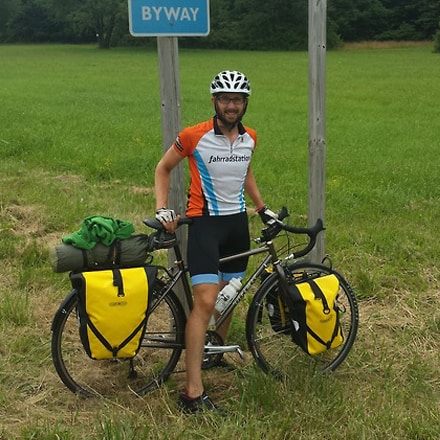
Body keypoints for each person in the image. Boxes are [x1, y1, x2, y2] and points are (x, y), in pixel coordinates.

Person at [154, 70, 277, 413]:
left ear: (245, 103)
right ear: (214, 102)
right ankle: (192, 393)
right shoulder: (193, 136)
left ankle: (216, 350)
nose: (231, 105)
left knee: (231, 292)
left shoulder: (250, 137)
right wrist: (162, 208)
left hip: (236, 225)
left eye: (237, 99)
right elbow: (163, 168)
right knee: (206, 302)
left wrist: (261, 207)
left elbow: (245, 172)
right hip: (206, 225)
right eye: (225, 99)